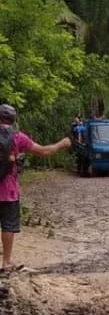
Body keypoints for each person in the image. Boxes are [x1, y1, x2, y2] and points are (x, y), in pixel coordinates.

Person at [0, 104, 71, 271]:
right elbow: (45, 151)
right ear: (13, 119)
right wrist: (62, 143)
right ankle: (6, 262)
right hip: (8, 190)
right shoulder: (18, 137)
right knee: (8, 226)